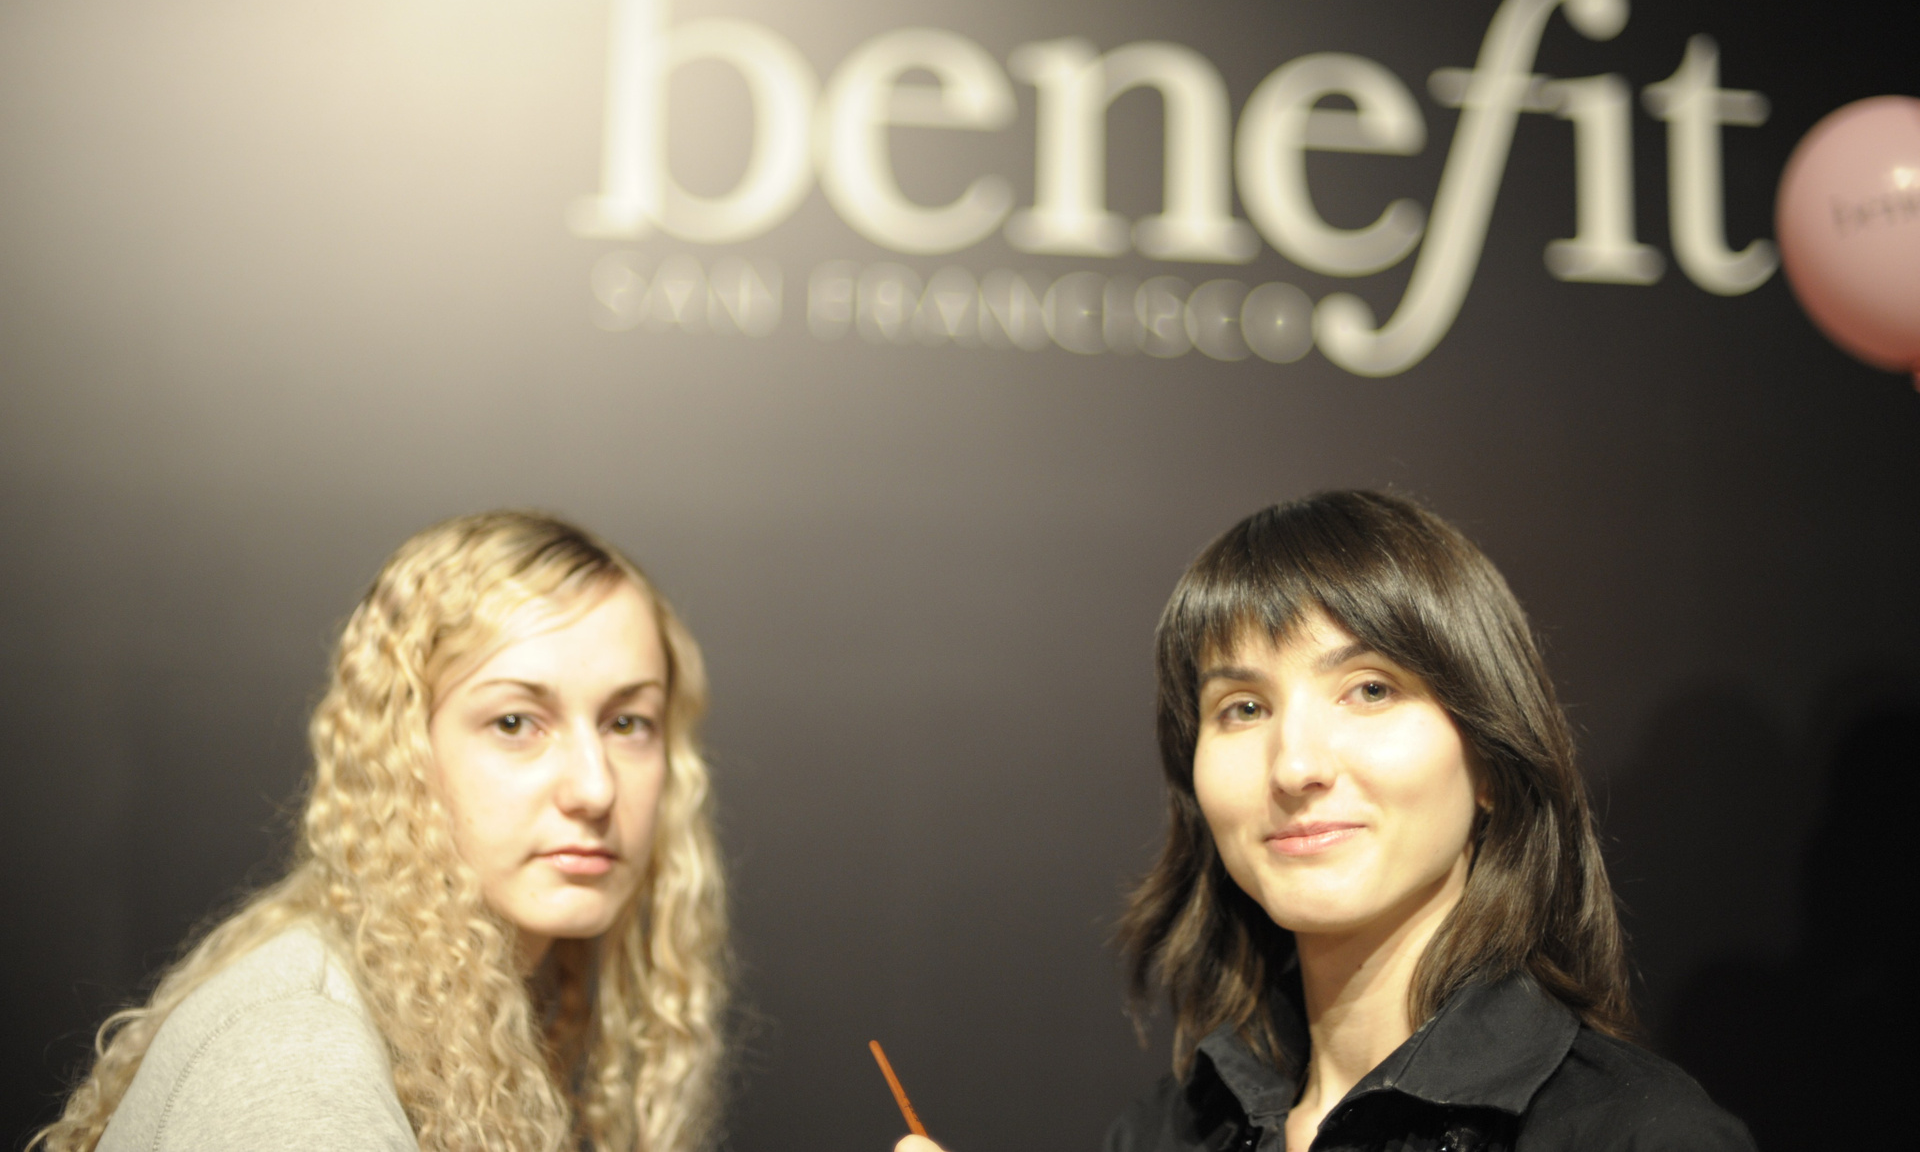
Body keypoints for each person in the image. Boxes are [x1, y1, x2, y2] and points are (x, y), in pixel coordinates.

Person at [902, 490, 1754, 1152]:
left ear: (1492, 759)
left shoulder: (1635, 1135)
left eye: (1369, 690)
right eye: (1242, 708)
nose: (1295, 766)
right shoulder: (1167, 1134)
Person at [34, 512, 728, 1152]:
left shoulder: (485, 1019)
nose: (596, 789)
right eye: (515, 722)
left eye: (627, 723)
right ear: (404, 752)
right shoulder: (298, 1059)